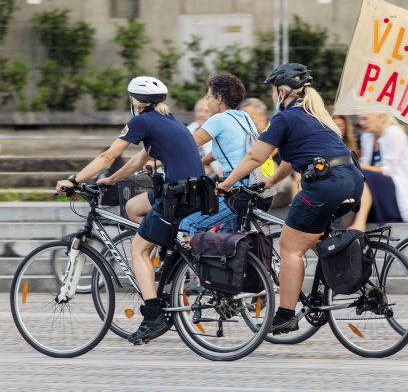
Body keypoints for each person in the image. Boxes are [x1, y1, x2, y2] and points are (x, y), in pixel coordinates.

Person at [55, 76, 204, 344]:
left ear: (134, 101)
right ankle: (163, 269)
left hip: (176, 196)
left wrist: (74, 180)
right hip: (193, 192)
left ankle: (153, 314)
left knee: (137, 250)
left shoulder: (140, 120)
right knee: (134, 207)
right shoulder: (169, 120)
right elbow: (139, 159)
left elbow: (107, 157)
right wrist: (111, 180)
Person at [217, 63, 364, 334]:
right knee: (315, 239)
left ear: (282, 92)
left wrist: (226, 183)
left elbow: (255, 157)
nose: (273, 98)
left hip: (324, 186)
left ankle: (285, 314)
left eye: (273, 92)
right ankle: (358, 282)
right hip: (352, 180)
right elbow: (290, 158)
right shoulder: (317, 115)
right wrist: (270, 181)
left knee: (289, 247)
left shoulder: (285, 118)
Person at [179, 74, 261, 236]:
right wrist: (202, 161)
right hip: (253, 183)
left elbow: (187, 145)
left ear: (219, 98)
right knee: (227, 235)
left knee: (188, 224)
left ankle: (190, 263)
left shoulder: (218, 120)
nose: (206, 100)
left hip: (236, 187)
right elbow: (229, 149)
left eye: (208, 96)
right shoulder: (243, 117)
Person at [349, 113, 408, 231]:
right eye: (360, 119)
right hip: (375, 185)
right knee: (357, 175)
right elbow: (366, 164)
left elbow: (389, 170)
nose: (361, 123)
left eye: (365, 118)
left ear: (380, 116)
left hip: (396, 184)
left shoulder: (394, 133)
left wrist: (361, 166)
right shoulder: (367, 137)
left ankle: (360, 223)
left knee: (364, 175)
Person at [187, 98, 222, 176]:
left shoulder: (219, 130)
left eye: (206, 111)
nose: (201, 114)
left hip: (216, 173)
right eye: (199, 110)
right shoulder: (189, 129)